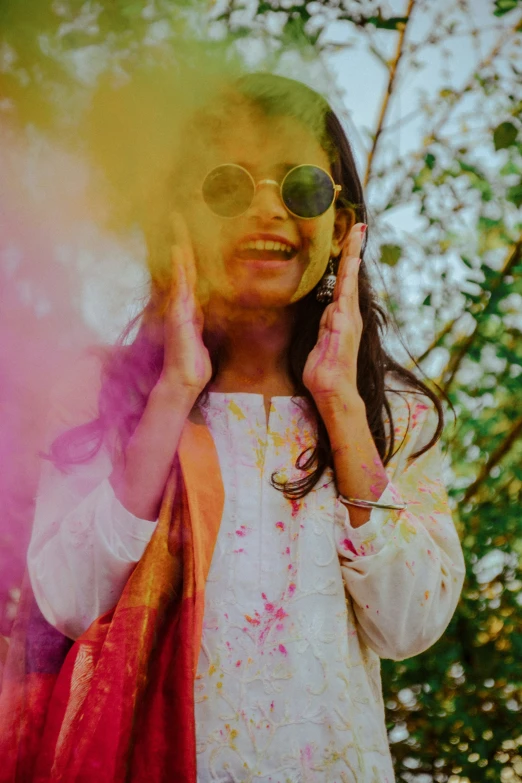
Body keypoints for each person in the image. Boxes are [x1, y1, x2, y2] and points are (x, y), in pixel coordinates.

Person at [22, 73, 465, 782]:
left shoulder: (393, 413)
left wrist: (342, 406)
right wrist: (172, 394)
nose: (267, 209)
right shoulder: (105, 396)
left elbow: (409, 625)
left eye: (301, 187)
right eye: (228, 185)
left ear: (344, 223)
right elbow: (70, 602)